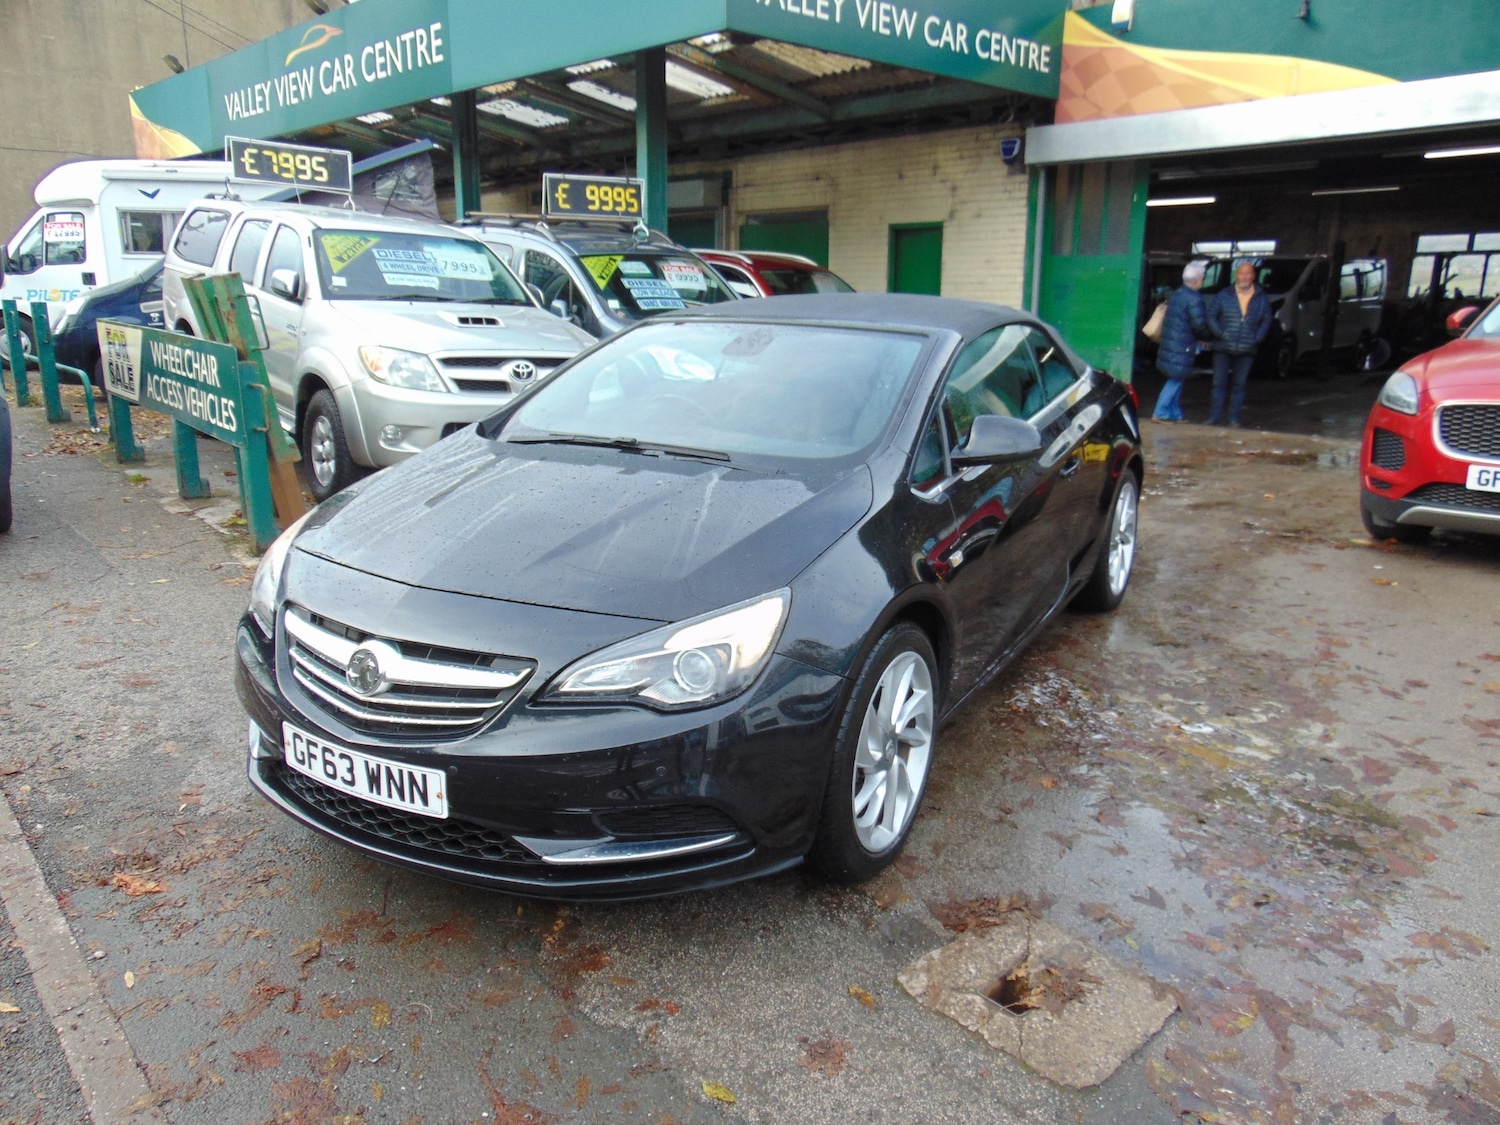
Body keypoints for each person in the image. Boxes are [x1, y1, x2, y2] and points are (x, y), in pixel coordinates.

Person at [1206, 259, 1272, 426]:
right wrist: (1220, 333)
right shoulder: (1224, 294)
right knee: (1218, 383)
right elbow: (1211, 315)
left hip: (1247, 348)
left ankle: (1234, 419)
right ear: (1236, 275)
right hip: (1223, 346)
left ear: (1253, 276)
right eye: (1242, 273)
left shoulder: (1261, 298)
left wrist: (1257, 338)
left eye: (1248, 273)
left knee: (1239, 385)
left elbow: (1266, 320)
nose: (1245, 277)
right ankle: (1214, 417)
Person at [1151, 260, 1210, 422]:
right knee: (1176, 379)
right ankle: (1160, 411)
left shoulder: (1177, 294)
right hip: (1183, 344)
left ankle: (1174, 413)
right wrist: (1208, 335)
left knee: (1179, 377)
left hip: (1172, 343)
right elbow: (1198, 324)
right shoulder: (1194, 299)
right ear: (1198, 280)